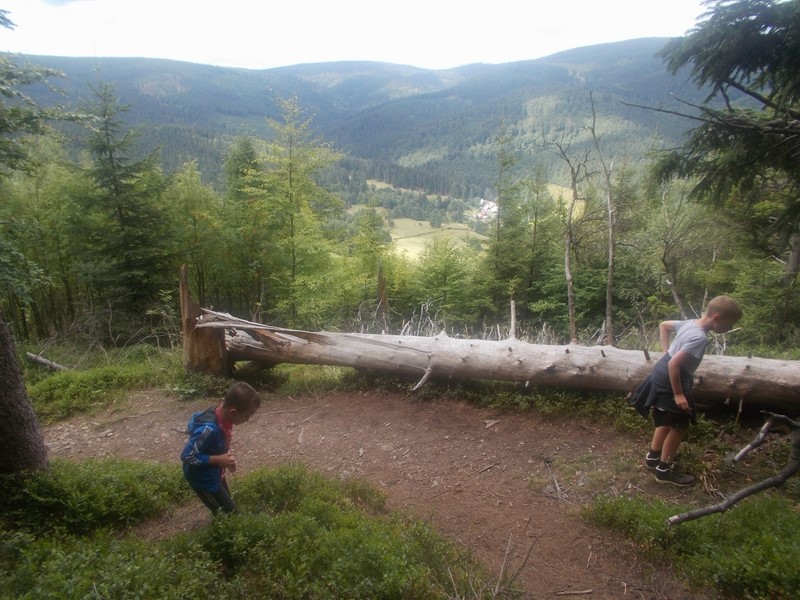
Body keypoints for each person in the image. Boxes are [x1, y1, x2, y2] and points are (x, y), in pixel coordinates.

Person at [629, 295, 742, 486]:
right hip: (671, 380)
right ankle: (664, 470)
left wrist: (666, 351)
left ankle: (653, 457)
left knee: (666, 419)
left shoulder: (690, 323)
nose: (729, 329)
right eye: (729, 324)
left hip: (661, 373)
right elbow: (674, 364)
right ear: (716, 318)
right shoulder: (699, 337)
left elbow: (664, 325)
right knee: (680, 425)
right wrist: (679, 394)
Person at [181, 381, 262, 514]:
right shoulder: (208, 430)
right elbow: (187, 456)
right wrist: (218, 460)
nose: (247, 420)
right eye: (247, 416)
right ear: (233, 412)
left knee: (228, 506)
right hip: (203, 480)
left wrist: (227, 456)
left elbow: (219, 442)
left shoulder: (224, 416)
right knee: (225, 514)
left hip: (215, 473)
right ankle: (222, 530)